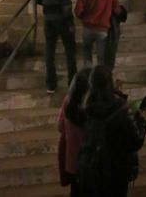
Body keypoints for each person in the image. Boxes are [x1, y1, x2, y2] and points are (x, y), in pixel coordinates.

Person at [77, 65, 146, 197]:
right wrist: (142, 121)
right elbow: (135, 142)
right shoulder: (120, 110)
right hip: (116, 172)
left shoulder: (87, 108)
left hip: (92, 170)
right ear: (110, 84)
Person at [36, 0, 76, 93]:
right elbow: (65, 1)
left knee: (50, 52)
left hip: (48, 19)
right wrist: (70, 21)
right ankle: (72, 83)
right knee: (70, 51)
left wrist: (49, 2)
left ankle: (51, 85)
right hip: (62, 19)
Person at [75, 0, 121, 67]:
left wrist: (84, 17)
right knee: (102, 59)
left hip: (88, 28)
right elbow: (117, 10)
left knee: (87, 56)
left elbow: (78, 11)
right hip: (103, 29)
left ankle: (87, 77)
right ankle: (99, 80)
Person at [58, 68, 91, 196]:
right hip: (93, 163)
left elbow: (60, 127)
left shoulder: (68, 101)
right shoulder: (96, 106)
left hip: (73, 162)